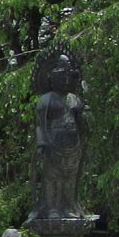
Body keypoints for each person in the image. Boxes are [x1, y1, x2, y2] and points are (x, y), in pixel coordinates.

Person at [31, 48, 88, 221]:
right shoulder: (46, 100)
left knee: (70, 177)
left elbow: (83, 123)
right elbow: (40, 124)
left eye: (67, 78)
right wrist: (42, 143)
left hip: (73, 143)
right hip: (53, 143)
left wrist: (83, 114)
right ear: (52, 81)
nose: (65, 82)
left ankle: (68, 206)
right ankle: (53, 208)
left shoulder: (74, 99)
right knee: (53, 177)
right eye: (61, 79)